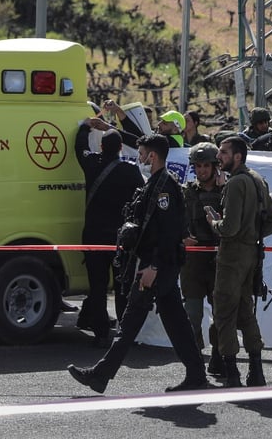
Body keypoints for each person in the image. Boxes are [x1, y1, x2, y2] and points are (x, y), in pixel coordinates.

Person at [68, 134, 207, 394]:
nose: (139, 158)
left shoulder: (163, 187)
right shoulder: (157, 183)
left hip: (157, 266)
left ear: (152, 156)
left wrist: (153, 267)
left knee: (130, 322)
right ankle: (197, 374)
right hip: (158, 264)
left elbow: (166, 233)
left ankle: (100, 375)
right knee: (176, 323)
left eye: (142, 153)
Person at [207, 136, 272, 387]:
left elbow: (229, 228)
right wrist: (253, 235)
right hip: (251, 254)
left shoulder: (237, 182)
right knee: (245, 312)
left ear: (237, 156)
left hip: (232, 256)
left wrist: (213, 223)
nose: (219, 157)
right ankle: (256, 370)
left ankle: (232, 372)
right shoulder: (257, 179)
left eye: (224, 153)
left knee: (224, 312)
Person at [75, 121, 144, 348]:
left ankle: (100, 332)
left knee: (97, 287)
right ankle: (123, 333)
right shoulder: (131, 170)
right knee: (122, 287)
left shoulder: (91, 163)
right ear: (121, 149)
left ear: (102, 147)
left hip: (93, 236)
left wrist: (85, 128)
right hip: (120, 239)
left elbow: (80, 148)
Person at [180, 142, 225, 375]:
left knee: (220, 315)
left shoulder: (227, 191)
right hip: (193, 263)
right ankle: (195, 360)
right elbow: (176, 221)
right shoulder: (186, 192)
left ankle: (218, 355)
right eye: (197, 166)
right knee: (192, 314)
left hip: (219, 261)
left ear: (216, 166)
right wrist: (182, 238)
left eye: (206, 165)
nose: (201, 170)